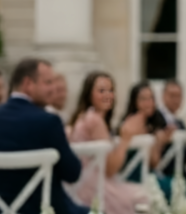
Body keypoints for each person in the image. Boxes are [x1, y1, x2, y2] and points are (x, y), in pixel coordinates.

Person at [0, 58, 88, 214]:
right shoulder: (48, 122)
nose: (54, 89)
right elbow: (73, 173)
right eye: (48, 82)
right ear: (28, 84)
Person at [68, 71, 149, 212]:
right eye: (101, 91)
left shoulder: (84, 117)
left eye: (111, 90)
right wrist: (125, 139)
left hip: (80, 184)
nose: (108, 95)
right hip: (92, 187)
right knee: (142, 197)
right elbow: (111, 169)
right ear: (89, 94)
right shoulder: (94, 120)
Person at [120, 81, 174, 181]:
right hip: (131, 175)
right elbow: (153, 162)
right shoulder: (131, 123)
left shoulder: (153, 122)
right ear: (134, 101)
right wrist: (158, 141)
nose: (149, 103)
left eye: (151, 98)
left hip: (148, 173)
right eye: (143, 99)